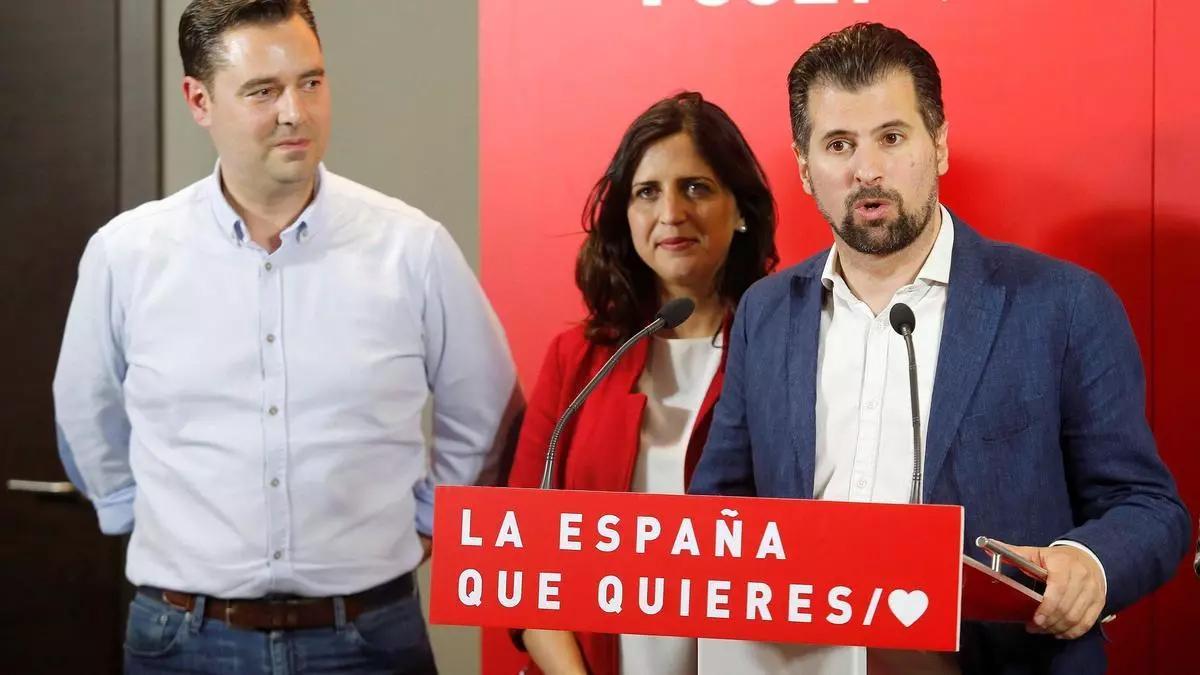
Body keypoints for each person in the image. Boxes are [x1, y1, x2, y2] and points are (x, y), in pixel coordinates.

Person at [689, 22, 1190, 674]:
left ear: (940, 144)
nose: (866, 169)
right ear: (807, 167)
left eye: (892, 137)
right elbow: (718, 507)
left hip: (998, 659)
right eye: (839, 144)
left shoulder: (1062, 304)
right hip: (796, 658)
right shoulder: (766, 311)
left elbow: (1148, 506)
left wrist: (1085, 564)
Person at [51, 1, 518, 672]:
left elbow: (488, 410)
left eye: (311, 81)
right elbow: (85, 415)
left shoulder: (410, 248)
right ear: (199, 100)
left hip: (368, 634)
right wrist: (136, 516)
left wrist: (431, 517)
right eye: (263, 91)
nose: (295, 111)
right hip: (182, 636)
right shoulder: (126, 255)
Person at [505, 91, 778, 675]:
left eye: (696, 187)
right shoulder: (576, 360)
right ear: (624, 216)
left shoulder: (787, 357)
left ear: (741, 208)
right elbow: (521, 564)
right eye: (647, 192)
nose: (671, 213)